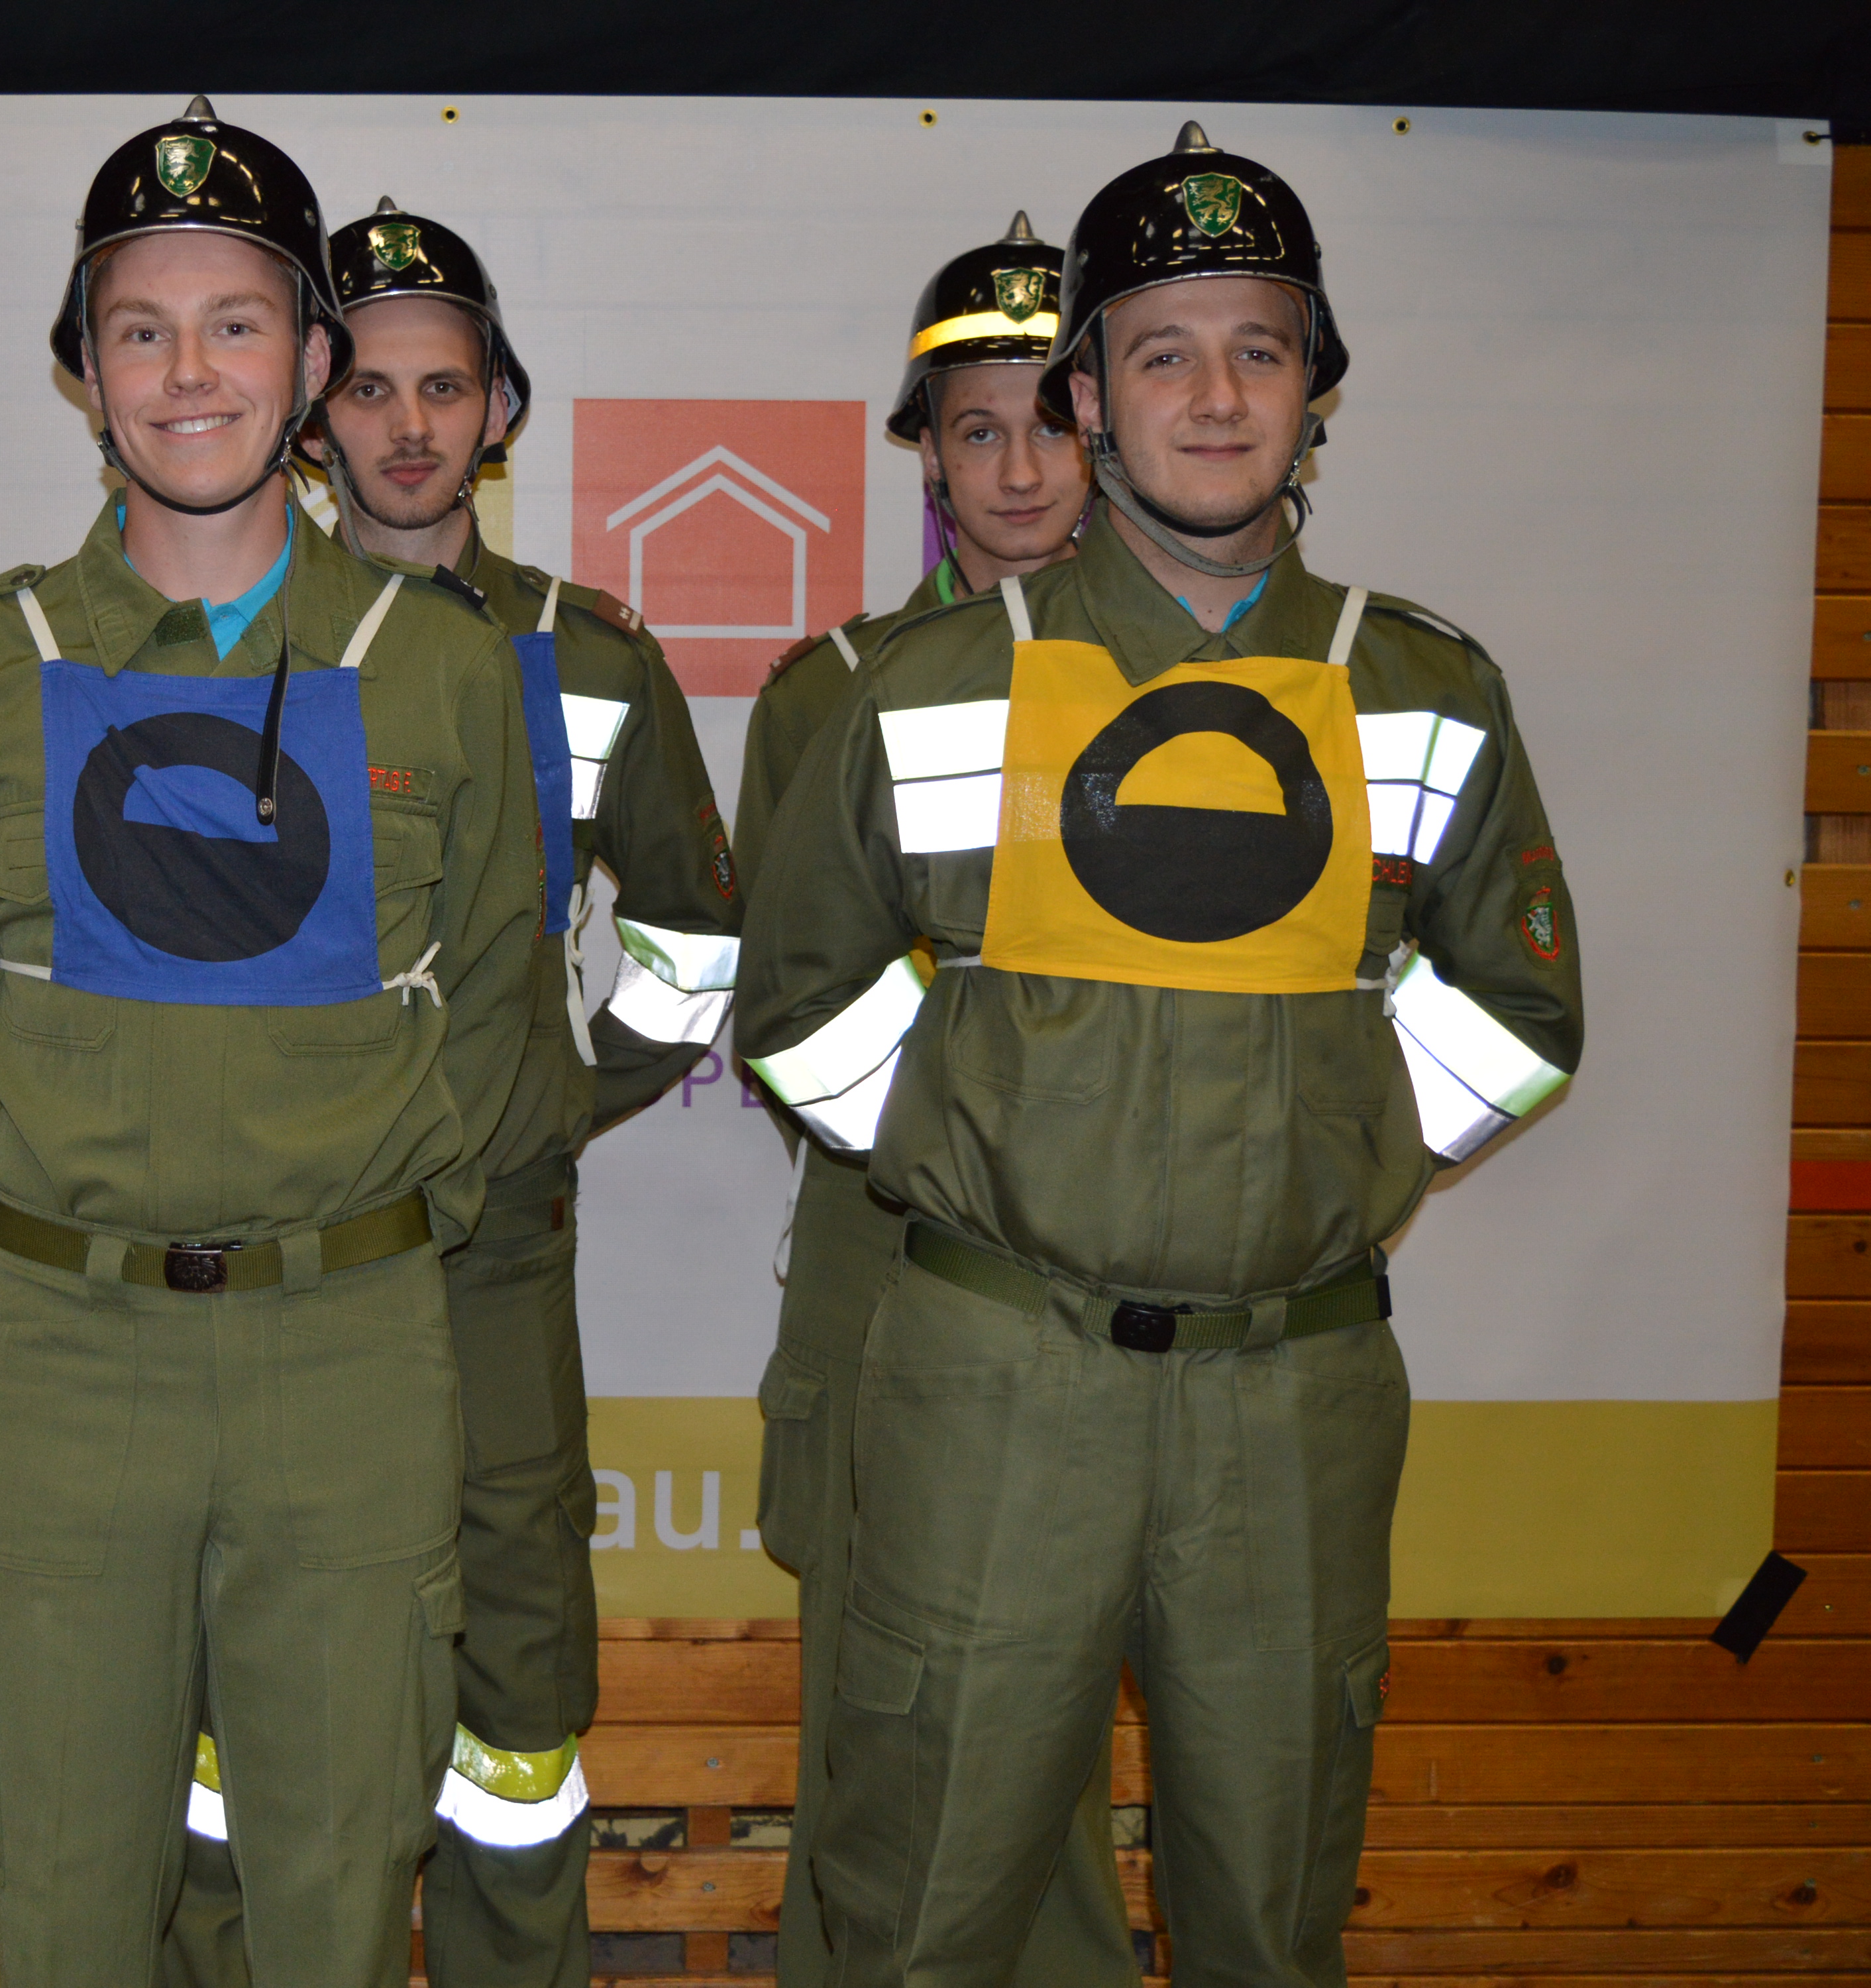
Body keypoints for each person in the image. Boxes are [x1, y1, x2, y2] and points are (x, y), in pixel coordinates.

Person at [735, 124, 1584, 1987]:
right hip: (996, 1382)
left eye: (1259, 348)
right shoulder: (929, 687)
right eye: (1164, 352)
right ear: (1090, 398)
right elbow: (796, 1004)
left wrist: (1345, 1159)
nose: (1215, 397)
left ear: (1314, 386)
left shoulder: (1421, 687)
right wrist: (978, 1150)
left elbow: (1520, 1015)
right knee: (921, 1919)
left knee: (1271, 1922)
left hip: (1294, 1399)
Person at [0, 99, 540, 1987]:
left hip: (354, 1357)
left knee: (337, 1889)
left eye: (237, 324)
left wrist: (353, 1216)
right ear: (84, 373)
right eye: (142, 330)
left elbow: (498, 990)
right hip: (66, 1355)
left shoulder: (442, 664)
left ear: (315, 364)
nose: (189, 374)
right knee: (70, 1889)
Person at [167, 195, 743, 1988]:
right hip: (276, 1254)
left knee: (512, 1690)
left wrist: (557, 1095)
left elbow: (697, 940)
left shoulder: (596, 657)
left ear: (501, 409)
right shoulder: (218, 645)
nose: (409, 428)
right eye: (371, 388)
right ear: (311, 407)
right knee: (245, 1678)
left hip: (493, 1252)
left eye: (447, 387)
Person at [734, 213, 1134, 1988]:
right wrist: (993, 1138)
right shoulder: (830, 696)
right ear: (926, 457)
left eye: (1051, 421)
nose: (1021, 468)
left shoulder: (1209, 685)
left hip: (1128, 1283)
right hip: (888, 1261)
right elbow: (798, 1007)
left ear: (1110, 425)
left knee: (1058, 1758)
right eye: (979, 429)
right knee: (872, 1743)